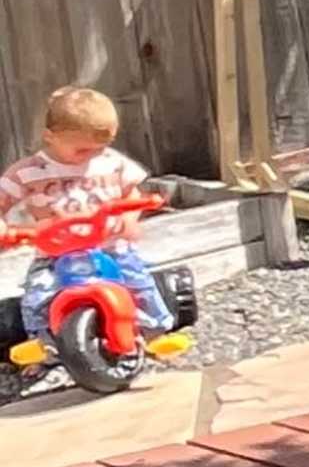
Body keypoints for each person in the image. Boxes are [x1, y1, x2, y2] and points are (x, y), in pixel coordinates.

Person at [0, 82, 185, 352]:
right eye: (82, 150)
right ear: (49, 136)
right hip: (54, 253)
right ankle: (43, 344)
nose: (92, 156)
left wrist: (131, 217)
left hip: (109, 245)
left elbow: (131, 193)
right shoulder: (29, 171)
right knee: (38, 294)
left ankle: (155, 332)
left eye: (100, 148)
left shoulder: (111, 162)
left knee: (138, 281)